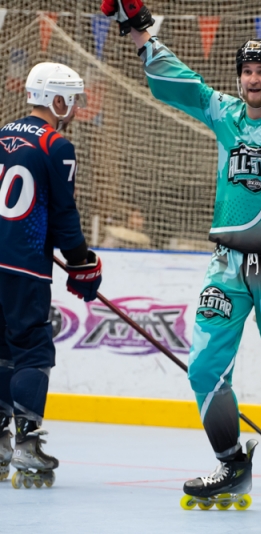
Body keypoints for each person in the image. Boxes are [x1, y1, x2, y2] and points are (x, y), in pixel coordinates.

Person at [101, 0, 261, 507]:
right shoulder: (224, 112)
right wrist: (135, 28)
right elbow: (177, 77)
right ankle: (230, 464)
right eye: (246, 71)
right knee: (203, 368)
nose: (252, 79)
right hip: (227, 266)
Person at [0, 62, 103, 488]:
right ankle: (27, 442)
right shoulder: (55, 144)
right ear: (55, 100)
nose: (75, 108)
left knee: (1, 349)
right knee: (32, 350)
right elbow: (63, 215)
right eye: (72, 99)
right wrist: (82, 263)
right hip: (24, 266)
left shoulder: (2, 134)